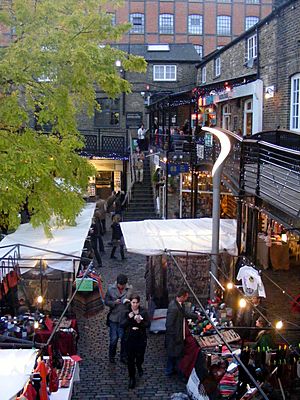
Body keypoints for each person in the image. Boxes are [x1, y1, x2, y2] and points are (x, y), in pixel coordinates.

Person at [165, 287, 200, 377]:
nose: (186, 299)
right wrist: (175, 337)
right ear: (182, 296)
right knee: (176, 355)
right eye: (186, 297)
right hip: (175, 336)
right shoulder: (174, 308)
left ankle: (171, 370)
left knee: (173, 355)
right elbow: (169, 325)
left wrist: (196, 316)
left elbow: (185, 314)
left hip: (177, 336)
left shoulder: (179, 305)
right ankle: (178, 373)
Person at [120, 294, 150, 389]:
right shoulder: (126, 311)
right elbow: (122, 324)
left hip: (140, 338)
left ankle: (139, 365)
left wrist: (140, 322)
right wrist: (129, 318)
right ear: (131, 302)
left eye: (137, 303)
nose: (135, 305)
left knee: (140, 356)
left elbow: (148, 324)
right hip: (129, 338)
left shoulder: (143, 312)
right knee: (130, 359)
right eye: (133, 302)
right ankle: (132, 377)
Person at [104, 274, 133, 364]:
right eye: (120, 285)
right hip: (114, 317)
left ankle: (123, 356)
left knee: (124, 339)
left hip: (124, 318)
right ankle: (111, 356)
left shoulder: (130, 289)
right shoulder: (110, 289)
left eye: (123, 285)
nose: (122, 287)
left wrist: (129, 302)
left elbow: (133, 300)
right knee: (114, 339)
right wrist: (114, 303)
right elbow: (106, 301)